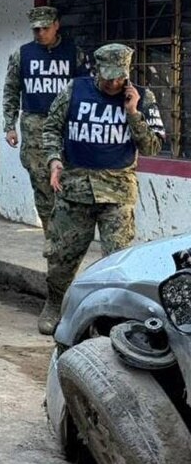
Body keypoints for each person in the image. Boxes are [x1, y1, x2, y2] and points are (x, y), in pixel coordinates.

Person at [38, 43, 165, 335]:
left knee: (117, 260)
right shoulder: (75, 90)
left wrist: (133, 113)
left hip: (117, 192)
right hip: (75, 190)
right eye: (107, 76)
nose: (112, 83)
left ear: (127, 72)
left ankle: (112, 318)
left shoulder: (143, 97)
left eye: (118, 77)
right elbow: (52, 129)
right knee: (61, 256)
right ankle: (55, 303)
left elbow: (153, 146)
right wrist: (54, 160)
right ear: (97, 69)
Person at [2, 6, 85, 239]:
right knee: (42, 184)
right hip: (34, 128)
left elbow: (86, 89)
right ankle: (52, 237)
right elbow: (10, 91)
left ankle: (71, 236)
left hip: (68, 128)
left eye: (45, 28)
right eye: (36, 29)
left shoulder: (73, 53)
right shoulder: (23, 54)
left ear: (56, 25)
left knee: (69, 183)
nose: (40, 33)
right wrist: (10, 125)